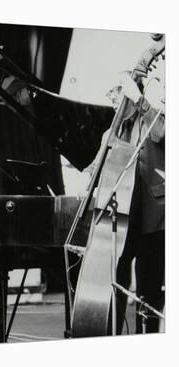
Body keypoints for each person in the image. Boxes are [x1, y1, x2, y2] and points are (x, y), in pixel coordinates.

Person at [89, 72, 165, 334]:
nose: (113, 100)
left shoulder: (151, 118)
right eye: (111, 95)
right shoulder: (111, 132)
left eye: (117, 92)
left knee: (150, 288)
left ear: (130, 94)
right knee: (117, 280)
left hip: (153, 216)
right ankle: (115, 335)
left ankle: (150, 338)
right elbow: (96, 170)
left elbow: (161, 133)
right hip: (121, 219)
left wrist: (141, 100)